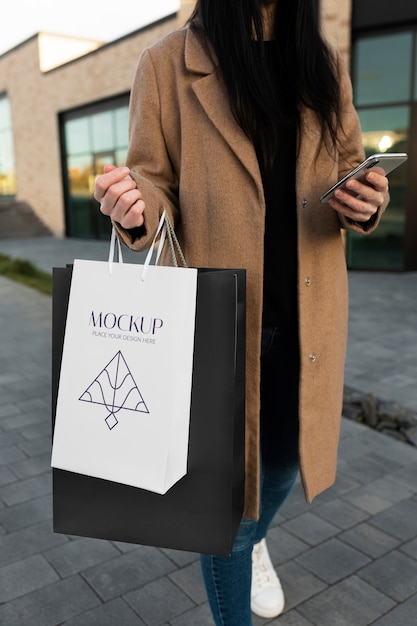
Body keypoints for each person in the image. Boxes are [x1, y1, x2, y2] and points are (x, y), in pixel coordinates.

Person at [94, 1, 389, 624]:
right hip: (215, 330)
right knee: (226, 515)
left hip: (309, 321)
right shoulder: (168, 62)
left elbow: (346, 167)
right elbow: (153, 180)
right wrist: (131, 204)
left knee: (282, 465)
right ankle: (243, 553)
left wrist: (366, 197)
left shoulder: (322, 64)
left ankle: (256, 541)